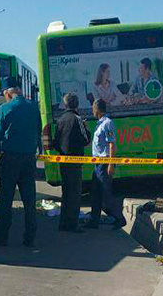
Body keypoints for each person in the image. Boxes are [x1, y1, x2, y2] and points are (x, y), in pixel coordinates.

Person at [0, 77, 42, 247]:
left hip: (11, 159)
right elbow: (39, 130)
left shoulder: (5, 108)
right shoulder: (33, 107)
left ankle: (2, 236)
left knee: (6, 198)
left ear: (7, 92)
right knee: (29, 200)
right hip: (29, 158)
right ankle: (30, 237)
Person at [86, 99, 127, 230]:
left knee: (106, 193)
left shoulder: (108, 123)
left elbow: (111, 144)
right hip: (97, 164)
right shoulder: (99, 124)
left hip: (104, 163)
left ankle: (119, 218)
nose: (92, 110)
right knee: (95, 193)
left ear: (97, 109)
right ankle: (94, 220)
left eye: (93, 108)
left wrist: (111, 163)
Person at [54, 92, 91, 233]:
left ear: (65, 104)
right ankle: (73, 225)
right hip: (75, 162)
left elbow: (56, 143)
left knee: (66, 192)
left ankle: (63, 223)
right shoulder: (78, 119)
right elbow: (86, 139)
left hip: (63, 161)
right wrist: (86, 127)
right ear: (77, 104)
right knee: (75, 194)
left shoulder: (61, 119)